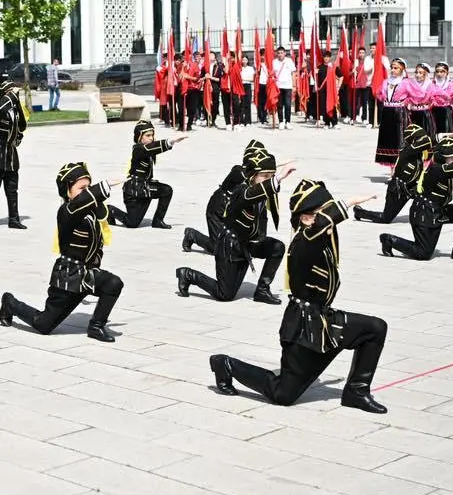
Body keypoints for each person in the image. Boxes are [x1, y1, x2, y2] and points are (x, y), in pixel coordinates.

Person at [208, 181, 387, 414]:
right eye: (319, 214)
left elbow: (323, 225)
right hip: (302, 328)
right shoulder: (304, 243)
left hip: (323, 321)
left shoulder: (318, 239)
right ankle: (226, 364)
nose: (327, 221)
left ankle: (357, 392)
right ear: (305, 218)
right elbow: (321, 224)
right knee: (284, 394)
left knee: (375, 328)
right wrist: (348, 202)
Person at [0, 162, 126, 342]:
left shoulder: (90, 210)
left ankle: (96, 326)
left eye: (89, 187)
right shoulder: (66, 212)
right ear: (67, 190)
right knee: (43, 325)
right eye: (81, 188)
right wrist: (105, 184)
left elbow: (94, 206)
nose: (86, 191)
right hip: (69, 277)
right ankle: (10, 303)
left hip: (88, 275)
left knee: (114, 283)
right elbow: (79, 204)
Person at [177, 144, 296, 303]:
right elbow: (252, 194)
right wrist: (277, 178)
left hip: (247, 243)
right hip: (230, 245)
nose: (268, 180)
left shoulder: (260, 192)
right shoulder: (242, 191)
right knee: (225, 294)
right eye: (265, 176)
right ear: (253, 175)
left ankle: (262, 290)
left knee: (277, 247)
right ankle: (188, 274)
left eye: (270, 176)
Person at [379, 136, 453, 262]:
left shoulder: (442, 169)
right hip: (424, 214)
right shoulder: (436, 170)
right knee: (423, 253)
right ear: (442, 158)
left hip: (438, 210)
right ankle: (390, 240)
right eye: (452, 158)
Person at [107, 120, 186, 229]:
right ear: (139, 137)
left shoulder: (147, 149)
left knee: (167, 190)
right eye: (147, 135)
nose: (151, 138)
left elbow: (152, 148)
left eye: (152, 135)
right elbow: (151, 148)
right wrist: (170, 141)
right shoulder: (138, 149)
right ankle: (110, 210)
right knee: (132, 223)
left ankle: (158, 221)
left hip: (145, 188)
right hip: (134, 192)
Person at [355, 124, 432, 224]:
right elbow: (427, 142)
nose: (423, 139)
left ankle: (428, 215)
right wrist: (439, 136)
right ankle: (359, 212)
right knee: (385, 218)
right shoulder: (407, 151)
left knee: (431, 194)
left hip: (412, 187)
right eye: (420, 138)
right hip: (398, 190)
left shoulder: (417, 152)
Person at [0, 78, 27, 230]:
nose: (14, 94)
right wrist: (11, 96)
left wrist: (18, 103)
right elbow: (0, 108)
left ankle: (13, 219)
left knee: (12, 188)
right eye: (11, 92)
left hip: (11, 153)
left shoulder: (13, 109)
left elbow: (22, 126)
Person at [373, 59, 410, 166]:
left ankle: (399, 169)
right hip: (387, 113)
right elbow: (379, 94)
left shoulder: (405, 82)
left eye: (396, 68)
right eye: (392, 68)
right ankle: (391, 169)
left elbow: (418, 94)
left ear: (402, 69)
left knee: (399, 140)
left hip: (399, 113)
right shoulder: (386, 82)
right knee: (388, 140)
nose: (393, 70)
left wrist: (407, 102)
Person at [270, 47, 295, 129]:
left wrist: (294, 85)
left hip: (288, 86)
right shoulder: (274, 62)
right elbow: (271, 74)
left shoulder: (289, 61)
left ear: (284, 53)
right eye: (278, 53)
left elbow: (293, 73)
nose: (280, 54)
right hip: (278, 86)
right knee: (279, 105)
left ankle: (288, 121)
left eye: (281, 53)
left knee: (288, 104)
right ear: (277, 54)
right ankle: (281, 121)